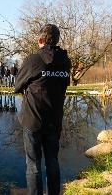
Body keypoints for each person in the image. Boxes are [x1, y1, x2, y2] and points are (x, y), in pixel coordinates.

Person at [15, 24, 71, 195]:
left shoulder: (33, 60)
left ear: (40, 39)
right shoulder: (65, 61)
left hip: (33, 120)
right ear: (58, 39)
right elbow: (63, 84)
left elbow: (17, 85)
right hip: (54, 120)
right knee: (52, 161)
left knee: (33, 164)